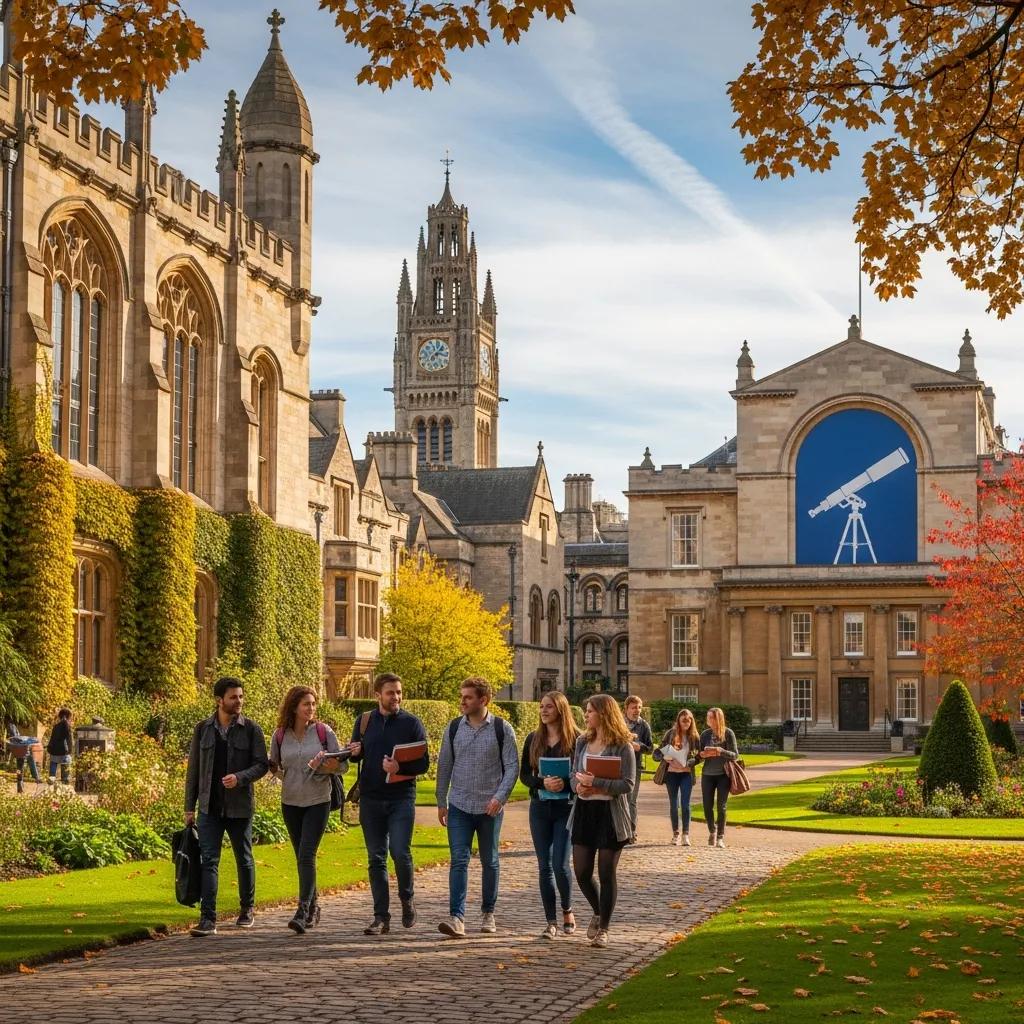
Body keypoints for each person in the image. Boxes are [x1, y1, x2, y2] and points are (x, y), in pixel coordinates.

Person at [184, 676, 269, 936]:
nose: (239, 701)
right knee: (209, 860)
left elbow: (262, 765)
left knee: (243, 858)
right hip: (209, 806)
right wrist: (189, 807)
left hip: (240, 806)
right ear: (219, 700)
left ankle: (247, 909)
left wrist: (240, 778)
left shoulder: (251, 729)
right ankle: (208, 919)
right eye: (234, 697)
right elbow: (194, 770)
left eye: (241, 696)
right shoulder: (203, 729)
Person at [435, 677, 518, 938]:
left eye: (468, 697)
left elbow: (512, 767)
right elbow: (444, 766)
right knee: (458, 860)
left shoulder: (502, 730)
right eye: (462, 696)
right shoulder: (453, 729)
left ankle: (488, 912)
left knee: (490, 861)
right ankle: (457, 917)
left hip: (489, 807)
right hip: (459, 804)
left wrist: (500, 797)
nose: (462, 701)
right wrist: (441, 801)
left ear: (483, 700)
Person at [348, 673, 429, 936]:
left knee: (400, 852)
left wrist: (399, 766)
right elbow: (354, 757)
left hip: (401, 797)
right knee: (375, 858)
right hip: (371, 798)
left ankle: (407, 899)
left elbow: (424, 763)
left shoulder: (411, 723)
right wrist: (354, 752)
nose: (396, 697)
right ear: (377, 695)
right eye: (391, 692)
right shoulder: (364, 722)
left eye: (398, 692)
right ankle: (381, 916)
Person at [268, 685, 346, 934]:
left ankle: (302, 911)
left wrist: (322, 767)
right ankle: (314, 906)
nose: (311, 708)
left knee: (306, 854)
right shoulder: (280, 735)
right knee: (300, 855)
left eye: (313, 704)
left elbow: (342, 767)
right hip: (290, 802)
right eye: (306, 704)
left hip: (318, 801)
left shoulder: (324, 732)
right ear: (294, 707)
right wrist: (283, 775)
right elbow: (277, 768)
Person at [567, 693, 635, 948]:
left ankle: (604, 928)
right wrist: (578, 787)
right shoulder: (582, 741)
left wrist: (595, 782)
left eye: (590, 711)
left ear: (604, 713)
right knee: (582, 872)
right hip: (585, 812)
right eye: (586, 710)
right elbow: (574, 773)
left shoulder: (623, 746)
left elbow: (627, 784)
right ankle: (597, 910)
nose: (586, 715)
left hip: (611, 815)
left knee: (606, 873)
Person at [520, 691, 580, 939]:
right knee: (544, 865)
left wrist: (563, 785)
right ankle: (551, 921)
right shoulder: (533, 739)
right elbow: (524, 775)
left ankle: (567, 910)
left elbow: (582, 774)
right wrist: (542, 783)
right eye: (542, 706)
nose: (544, 711)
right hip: (540, 808)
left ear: (561, 710)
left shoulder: (577, 740)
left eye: (549, 707)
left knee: (560, 864)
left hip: (566, 807)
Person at [652, 707, 700, 845]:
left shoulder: (695, 737)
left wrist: (689, 764)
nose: (686, 723)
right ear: (678, 721)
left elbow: (699, 756)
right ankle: (676, 834)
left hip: (686, 774)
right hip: (671, 774)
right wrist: (666, 757)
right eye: (683, 720)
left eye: (689, 720)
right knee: (674, 804)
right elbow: (657, 753)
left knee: (685, 804)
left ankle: (686, 834)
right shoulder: (670, 734)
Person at [698, 706, 739, 848]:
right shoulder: (705, 734)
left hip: (723, 775)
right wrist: (702, 755)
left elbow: (735, 755)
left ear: (718, 719)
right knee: (707, 806)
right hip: (707, 774)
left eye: (711, 717)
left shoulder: (728, 733)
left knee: (721, 807)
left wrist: (720, 751)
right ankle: (712, 831)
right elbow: (699, 754)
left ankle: (720, 837)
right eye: (708, 717)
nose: (708, 720)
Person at [622, 695, 653, 842]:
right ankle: (619, 829)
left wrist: (639, 746)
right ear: (626, 708)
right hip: (618, 765)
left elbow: (650, 748)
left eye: (639, 707)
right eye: (634, 707)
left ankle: (631, 831)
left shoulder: (644, 726)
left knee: (631, 799)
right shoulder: (619, 724)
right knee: (618, 799)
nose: (637, 710)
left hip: (635, 766)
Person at [6, 721, 41, 788]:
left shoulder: (11, 726)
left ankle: (20, 784)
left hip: (18, 750)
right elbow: (17, 738)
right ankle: (35, 777)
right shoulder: (12, 726)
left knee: (19, 767)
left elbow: (14, 738)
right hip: (21, 749)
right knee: (29, 760)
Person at [46, 708, 73, 785]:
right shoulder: (67, 726)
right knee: (65, 778)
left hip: (54, 751)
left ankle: (51, 785)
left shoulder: (56, 726)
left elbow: (52, 738)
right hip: (65, 753)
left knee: (52, 775)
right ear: (67, 717)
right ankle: (65, 787)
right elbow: (68, 738)